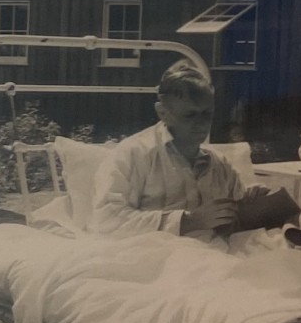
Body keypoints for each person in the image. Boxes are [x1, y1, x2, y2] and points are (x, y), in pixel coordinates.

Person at [90, 60, 264, 239]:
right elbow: (105, 220)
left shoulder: (218, 164)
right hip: (152, 254)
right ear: (162, 112)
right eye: (190, 115)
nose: (201, 123)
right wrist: (188, 221)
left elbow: (237, 214)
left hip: (214, 253)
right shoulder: (133, 154)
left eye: (207, 114)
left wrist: (254, 203)